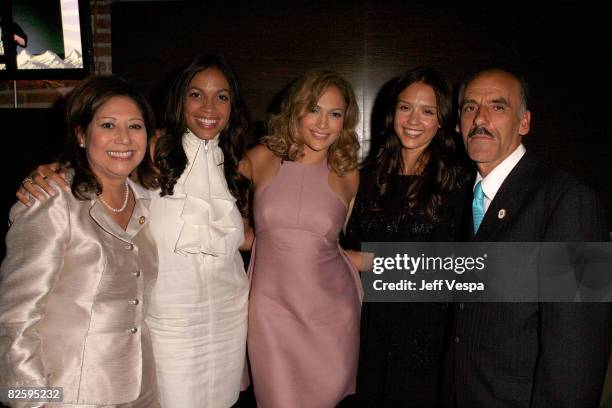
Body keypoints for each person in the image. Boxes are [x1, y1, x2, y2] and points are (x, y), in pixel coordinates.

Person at [14, 55, 252, 408]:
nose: (209, 107)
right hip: (168, 325)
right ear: (179, 100)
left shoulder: (237, 160)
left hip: (230, 316)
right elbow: (103, 166)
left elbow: (246, 235)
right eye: (196, 94)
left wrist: (322, 249)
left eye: (222, 96)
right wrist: (49, 174)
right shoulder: (154, 149)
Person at [447, 68, 610, 407]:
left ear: (524, 123)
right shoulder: (465, 197)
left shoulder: (571, 200)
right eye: (469, 107)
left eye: (498, 107)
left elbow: (579, 346)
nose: (480, 118)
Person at [0, 75, 160, 407]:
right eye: (107, 125)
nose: (123, 138)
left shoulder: (144, 199)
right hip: (68, 393)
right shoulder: (52, 199)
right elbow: (16, 318)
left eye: (135, 126)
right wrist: (32, 400)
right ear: (81, 134)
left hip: (139, 390)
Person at [344, 67, 468, 407]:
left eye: (427, 111)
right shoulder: (365, 177)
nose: (413, 119)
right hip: (365, 327)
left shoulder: (460, 182)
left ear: (442, 120)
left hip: (426, 334)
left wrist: (367, 261)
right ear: (391, 112)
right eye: (405, 107)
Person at [241, 69, 362, 407]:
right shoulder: (258, 158)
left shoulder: (348, 173)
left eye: (335, 114)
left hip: (331, 314)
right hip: (270, 313)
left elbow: (330, 245)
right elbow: (233, 233)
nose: (323, 123)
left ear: (345, 122)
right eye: (314, 109)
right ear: (295, 110)